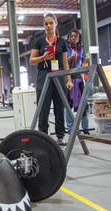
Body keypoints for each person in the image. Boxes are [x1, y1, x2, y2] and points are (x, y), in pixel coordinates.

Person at [29, 13, 73, 146]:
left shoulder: (62, 42)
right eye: (46, 24)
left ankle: (60, 136)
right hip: (44, 76)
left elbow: (65, 63)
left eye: (51, 23)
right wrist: (43, 58)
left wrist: (69, 80)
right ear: (44, 26)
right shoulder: (39, 41)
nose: (48, 26)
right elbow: (31, 60)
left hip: (58, 76)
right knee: (43, 108)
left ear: (56, 23)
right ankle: (43, 137)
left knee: (59, 108)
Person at [65, 28, 90, 135]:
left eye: (76, 36)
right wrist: (67, 60)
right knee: (68, 103)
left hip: (79, 76)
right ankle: (70, 127)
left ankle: (85, 127)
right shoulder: (65, 49)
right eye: (72, 36)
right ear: (69, 38)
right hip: (68, 76)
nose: (74, 38)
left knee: (83, 102)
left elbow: (82, 61)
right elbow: (62, 62)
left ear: (78, 38)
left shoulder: (81, 49)